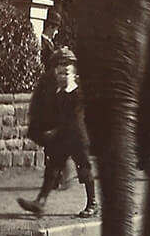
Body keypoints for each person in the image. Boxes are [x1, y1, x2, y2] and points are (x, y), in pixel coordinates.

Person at [18, 47, 97, 217]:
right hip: (63, 139)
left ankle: (92, 203)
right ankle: (40, 202)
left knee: (84, 169)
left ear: (74, 74)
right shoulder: (57, 93)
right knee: (52, 168)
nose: (62, 77)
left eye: (66, 73)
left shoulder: (77, 94)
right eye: (60, 73)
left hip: (77, 139)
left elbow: (73, 121)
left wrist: (55, 132)